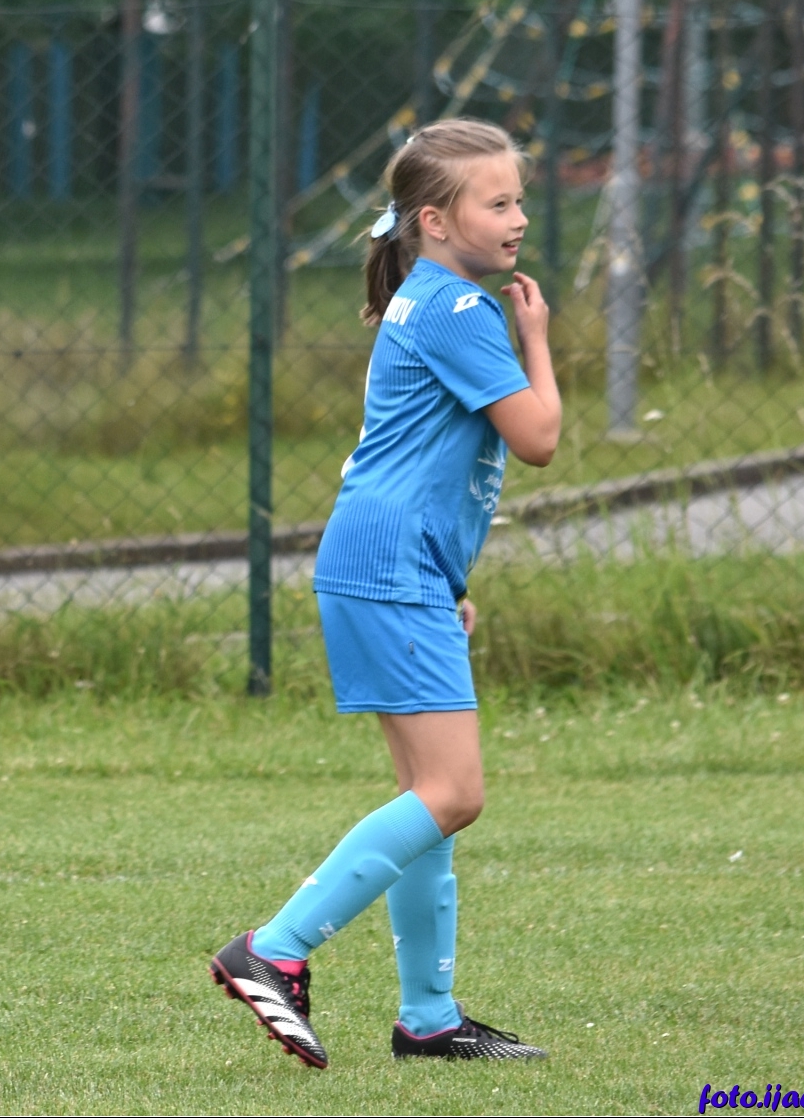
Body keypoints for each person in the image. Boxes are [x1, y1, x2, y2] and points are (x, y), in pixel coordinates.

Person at [209, 118, 561, 1067]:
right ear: (436, 221)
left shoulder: (424, 297)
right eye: (499, 203)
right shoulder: (460, 310)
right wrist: (536, 340)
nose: (519, 218)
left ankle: (429, 1019)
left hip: (389, 568)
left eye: (519, 200)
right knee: (453, 793)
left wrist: (442, 583)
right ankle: (273, 949)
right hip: (388, 570)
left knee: (425, 797)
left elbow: (414, 459)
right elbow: (537, 437)